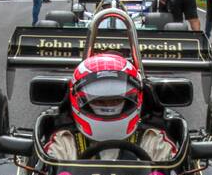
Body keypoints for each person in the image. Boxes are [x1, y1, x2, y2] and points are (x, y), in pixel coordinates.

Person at [44, 53, 178, 162]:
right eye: (100, 102)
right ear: (78, 100)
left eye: (115, 100)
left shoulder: (153, 140)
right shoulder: (64, 142)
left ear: (132, 100)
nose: (108, 107)